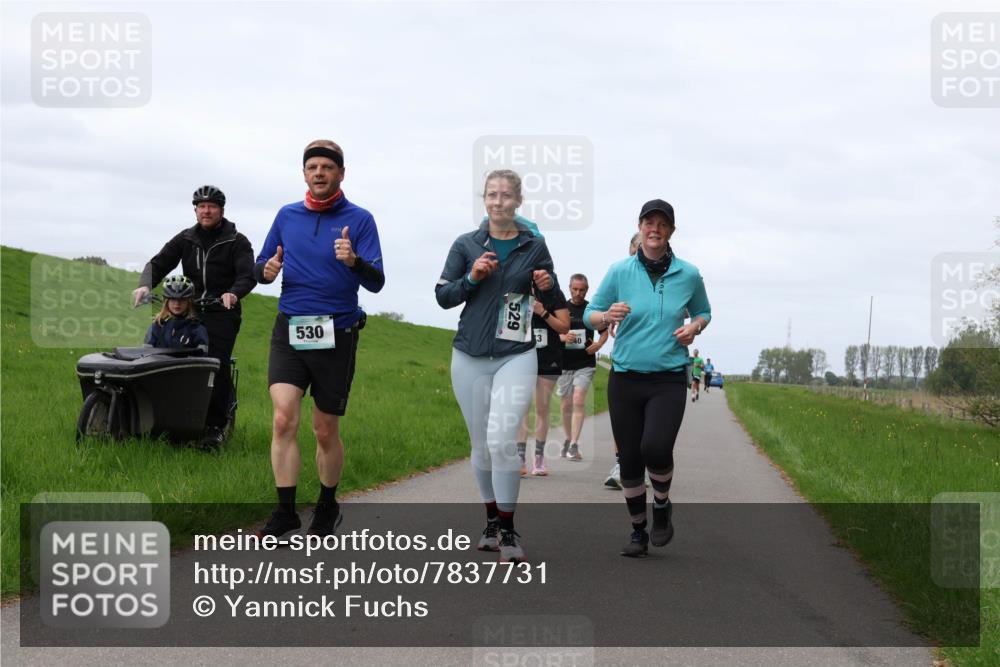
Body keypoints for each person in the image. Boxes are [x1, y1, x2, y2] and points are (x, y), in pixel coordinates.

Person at [254, 139, 385, 540]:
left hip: (336, 332)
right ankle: (285, 512)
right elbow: (261, 267)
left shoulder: (360, 220)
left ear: (340, 174)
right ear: (305, 173)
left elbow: (376, 281)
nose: (319, 173)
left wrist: (353, 261)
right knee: (282, 418)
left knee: (325, 429)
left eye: (327, 167)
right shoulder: (286, 215)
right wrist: (268, 270)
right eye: (312, 167)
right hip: (290, 328)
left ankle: (327, 504)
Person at [436, 169, 558, 563]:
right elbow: (443, 296)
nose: (498, 201)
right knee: (480, 445)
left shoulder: (535, 245)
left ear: (518, 201)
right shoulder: (466, 243)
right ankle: (491, 519)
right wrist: (472, 277)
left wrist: (546, 282)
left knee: (502, 439)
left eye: (506, 195)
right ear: (484, 199)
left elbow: (552, 295)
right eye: (492, 195)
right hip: (469, 355)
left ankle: (508, 531)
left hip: (517, 353)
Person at [584, 198, 711, 557]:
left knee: (655, 447)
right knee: (630, 460)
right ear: (640, 228)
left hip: (668, 377)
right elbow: (590, 315)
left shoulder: (688, 274)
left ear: (671, 231)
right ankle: (638, 530)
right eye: (648, 223)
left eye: (662, 224)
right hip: (625, 377)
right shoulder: (620, 271)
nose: (654, 229)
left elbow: (703, 310)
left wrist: (695, 327)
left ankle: (662, 505)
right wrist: (606, 316)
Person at [133, 185, 256, 449]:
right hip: (190, 309)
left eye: (212, 206)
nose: (206, 210)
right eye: (201, 206)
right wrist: (145, 284)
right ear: (196, 210)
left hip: (222, 312)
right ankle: (169, 419)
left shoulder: (237, 241)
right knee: (167, 359)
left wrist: (233, 294)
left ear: (221, 210)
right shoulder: (186, 238)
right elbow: (158, 262)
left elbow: (247, 275)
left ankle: (214, 428)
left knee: (215, 363)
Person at [515, 284, 571, 477]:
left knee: (542, 407)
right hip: (520, 356)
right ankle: (520, 458)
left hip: (549, 357)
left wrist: (543, 312)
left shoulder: (554, 293)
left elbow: (564, 327)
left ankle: (539, 457)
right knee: (521, 406)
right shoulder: (516, 290)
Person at [605, 232, 642, 489]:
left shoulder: (666, 274)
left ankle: (637, 463)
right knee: (624, 422)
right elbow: (600, 310)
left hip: (655, 361)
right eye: (636, 248)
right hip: (625, 358)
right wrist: (608, 319)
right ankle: (623, 464)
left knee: (647, 428)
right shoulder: (620, 273)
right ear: (630, 248)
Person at [557, 274, 608, 461]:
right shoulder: (561, 308)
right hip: (564, 362)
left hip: (585, 362)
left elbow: (604, 332)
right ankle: (568, 440)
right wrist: (563, 338)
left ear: (587, 290)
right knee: (565, 404)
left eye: (582, 290)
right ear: (569, 287)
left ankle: (574, 444)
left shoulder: (590, 309)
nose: (578, 293)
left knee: (578, 399)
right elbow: (551, 332)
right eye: (575, 289)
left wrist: (599, 345)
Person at [143, 275, 209, 353]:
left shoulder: (197, 328)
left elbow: (202, 358)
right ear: (166, 301)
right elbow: (146, 355)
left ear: (189, 302)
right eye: (173, 299)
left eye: (182, 299)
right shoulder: (157, 326)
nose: (177, 303)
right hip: (159, 364)